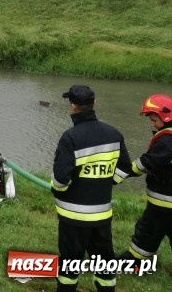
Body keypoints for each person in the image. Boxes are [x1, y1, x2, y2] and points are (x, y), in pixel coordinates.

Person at [51, 84, 132, 292]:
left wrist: (58, 190)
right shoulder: (114, 134)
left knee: (70, 265)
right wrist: (107, 181)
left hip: (72, 218)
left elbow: (60, 180)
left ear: (72, 106)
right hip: (102, 217)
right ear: (95, 103)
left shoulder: (70, 137)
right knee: (104, 265)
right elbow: (125, 168)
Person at [119, 94, 172, 267]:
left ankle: (135, 261)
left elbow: (145, 163)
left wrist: (120, 174)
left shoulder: (167, 141)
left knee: (148, 231)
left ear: (166, 117)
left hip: (164, 202)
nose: (152, 124)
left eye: (154, 120)